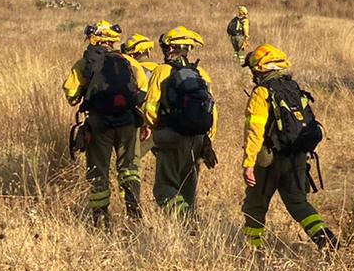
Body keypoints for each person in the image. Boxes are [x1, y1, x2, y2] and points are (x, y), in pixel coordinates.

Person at [240, 44, 337, 253]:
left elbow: (255, 131)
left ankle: (253, 250)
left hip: (270, 160)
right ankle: (327, 241)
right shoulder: (293, 87)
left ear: (259, 70)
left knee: (255, 205)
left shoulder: (262, 92)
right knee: (298, 203)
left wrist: (248, 164)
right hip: (297, 156)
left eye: (253, 70)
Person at [63, 21, 149, 228]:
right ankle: (134, 212)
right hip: (128, 123)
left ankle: (101, 219)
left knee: (98, 171)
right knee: (129, 168)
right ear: (113, 40)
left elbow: (71, 95)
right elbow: (144, 91)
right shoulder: (129, 61)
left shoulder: (84, 63)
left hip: (99, 125)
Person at [143, 26, 218, 220]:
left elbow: (150, 108)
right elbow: (212, 110)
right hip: (198, 139)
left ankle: (184, 218)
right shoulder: (201, 73)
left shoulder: (161, 71)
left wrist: (157, 129)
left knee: (164, 189)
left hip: (171, 136)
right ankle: (190, 227)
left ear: (170, 48)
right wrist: (207, 140)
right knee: (187, 190)